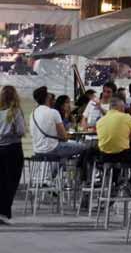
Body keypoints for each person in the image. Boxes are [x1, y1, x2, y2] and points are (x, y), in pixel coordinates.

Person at [30, 86, 88, 159]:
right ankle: (76, 169)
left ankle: (61, 167)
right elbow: (64, 137)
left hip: (37, 150)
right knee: (85, 147)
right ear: (47, 98)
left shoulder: (33, 113)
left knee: (67, 148)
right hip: (52, 149)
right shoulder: (53, 112)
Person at [0, 86, 25, 224]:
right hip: (13, 149)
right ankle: (4, 212)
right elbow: (21, 131)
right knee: (11, 182)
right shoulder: (15, 112)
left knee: (1, 182)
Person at [95, 97, 131, 167]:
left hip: (104, 156)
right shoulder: (127, 117)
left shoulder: (100, 121)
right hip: (122, 155)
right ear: (121, 107)